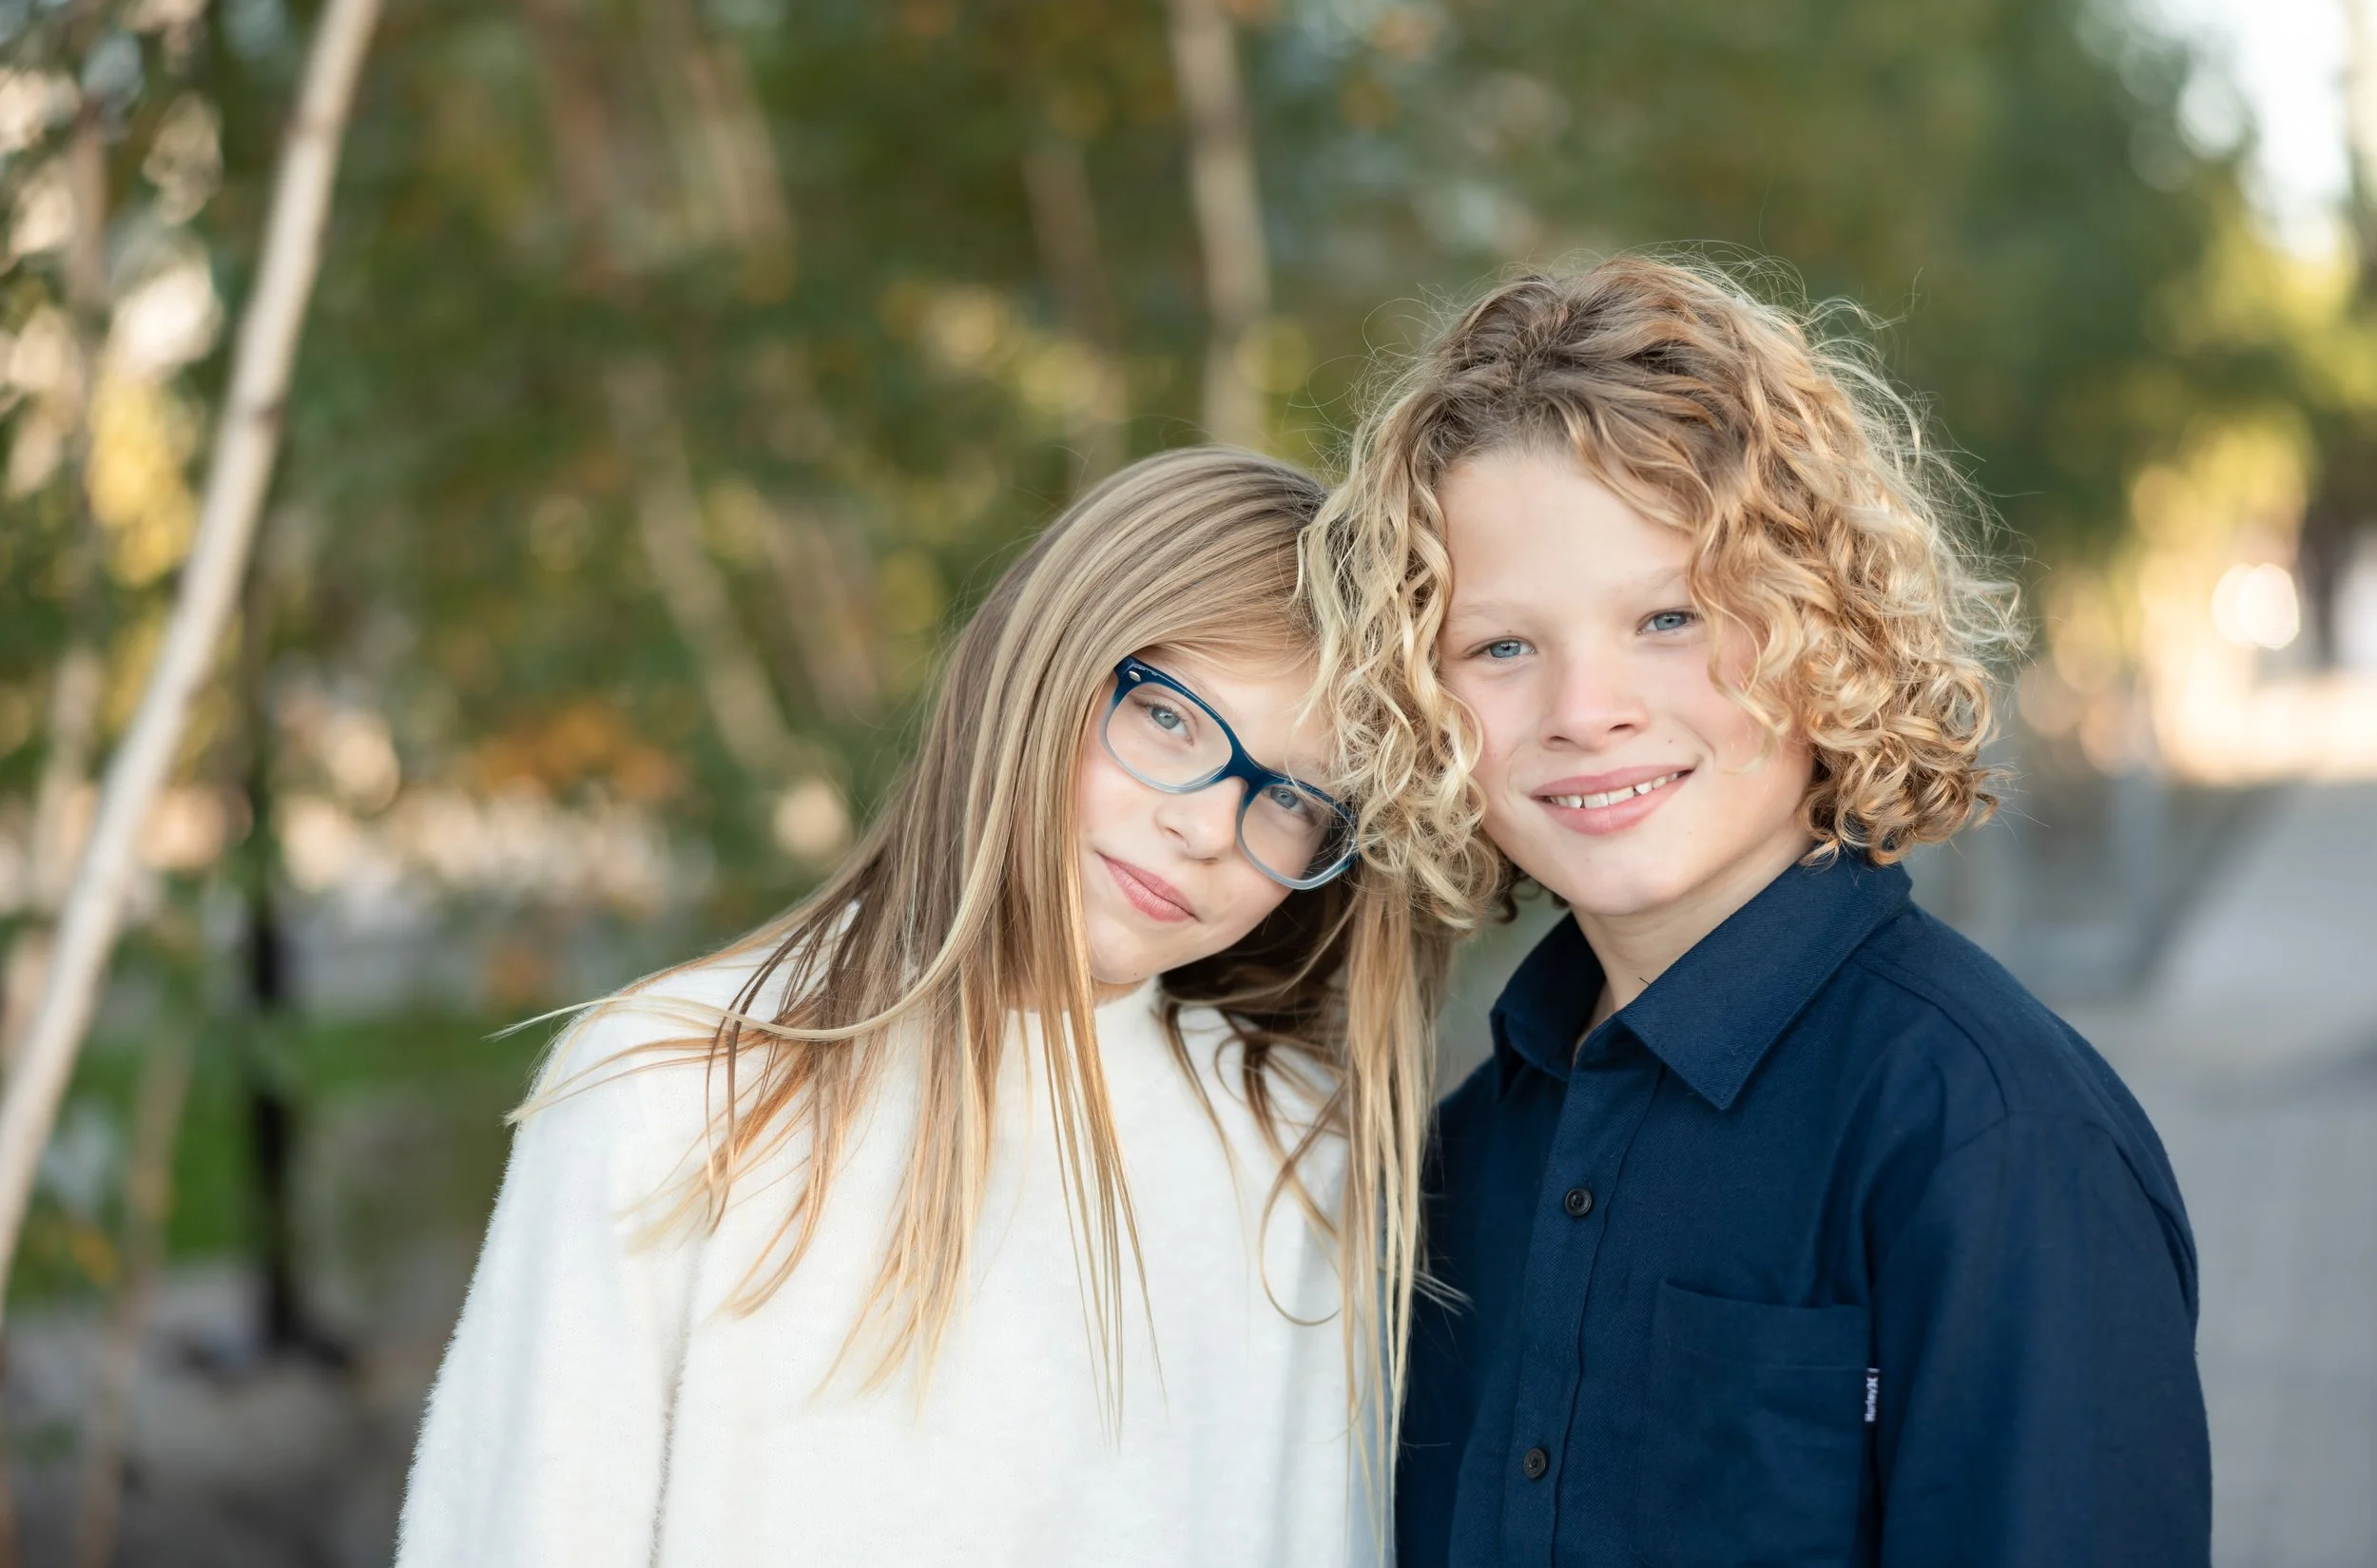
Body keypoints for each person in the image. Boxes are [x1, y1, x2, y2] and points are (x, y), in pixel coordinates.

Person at [1304, 260, 2212, 1567]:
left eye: (1668, 616)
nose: (1584, 710)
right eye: (1501, 645)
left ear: (1820, 627)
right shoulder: (1463, 1151)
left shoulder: (1993, 1135)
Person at [396, 447, 1451, 1567]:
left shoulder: (1297, 1151)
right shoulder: (673, 1089)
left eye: (1288, 796)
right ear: (1037, 672)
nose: (1203, 825)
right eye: (1169, 718)